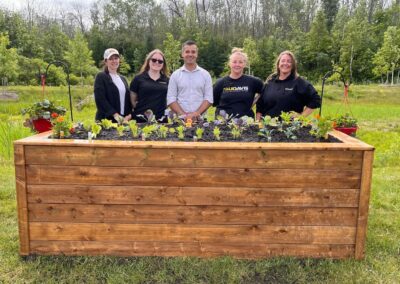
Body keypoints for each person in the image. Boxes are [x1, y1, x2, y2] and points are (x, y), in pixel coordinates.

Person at [256, 50, 321, 120]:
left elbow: (316, 100)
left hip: (290, 128)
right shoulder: (270, 81)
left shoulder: (299, 82)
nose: (285, 63)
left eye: (289, 61)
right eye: (283, 61)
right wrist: (257, 123)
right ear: (278, 64)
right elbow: (260, 105)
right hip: (267, 127)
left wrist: (301, 117)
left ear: (293, 65)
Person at [167, 40, 213, 120]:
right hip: (180, 120)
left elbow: (208, 98)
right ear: (182, 54)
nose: (190, 54)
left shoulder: (206, 75)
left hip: (200, 120)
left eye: (193, 52)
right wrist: (184, 116)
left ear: (197, 54)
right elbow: (171, 99)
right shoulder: (175, 75)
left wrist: (196, 114)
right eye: (187, 52)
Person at [213, 48, 264, 118]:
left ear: (244, 64)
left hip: (246, 123)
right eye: (234, 62)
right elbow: (213, 101)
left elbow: (265, 92)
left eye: (240, 62)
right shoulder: (220, 83)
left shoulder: (253, 81)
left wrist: (253, 102)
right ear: (229, 63)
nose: (237, 64)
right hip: (223, 124)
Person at [130, 49, 169, 122]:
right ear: (148, 61)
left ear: (163, 64)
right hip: (141, 120)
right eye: (154, 60)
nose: (157, 62)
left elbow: (169, 100)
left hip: (161, 120)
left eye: (160, 61)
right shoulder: (138, 79)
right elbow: (133, 101)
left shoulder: (167, 80)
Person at [94, 48, 132, 123]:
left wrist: (129, 115)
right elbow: (100, 99)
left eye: (116, 58)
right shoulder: (101, 77)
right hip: (106, 120)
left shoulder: (123, 79)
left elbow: (127, 99)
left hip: (122, 120)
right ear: (106, 61)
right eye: (111, 59)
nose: (114, 61)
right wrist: (114, 114)